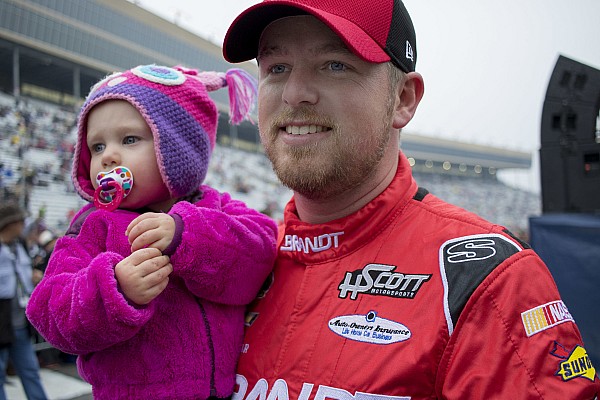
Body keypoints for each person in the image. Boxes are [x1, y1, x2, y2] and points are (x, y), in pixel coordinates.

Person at [222, 1, 600, 398]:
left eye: (334, 65)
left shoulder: (489, 280)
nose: (295, 93)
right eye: (277, 68)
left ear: (403, 99)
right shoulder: (229, 261)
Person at [26, 64, 278, 399]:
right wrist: (115, 288)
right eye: (96, 147)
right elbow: (48, 312)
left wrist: (187, 234)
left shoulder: (215, 209)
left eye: (129, 139)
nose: (108, 157)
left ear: (178, 151)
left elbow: (261, 253)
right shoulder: (91, 226)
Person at [0, 203, 48, 400]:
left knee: (30, 370)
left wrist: (32, 276)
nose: (23, 226)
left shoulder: (18, 245)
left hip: (20, 323)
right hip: (1, 322)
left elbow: (20, 274)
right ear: (10, 223)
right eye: (20, 222)